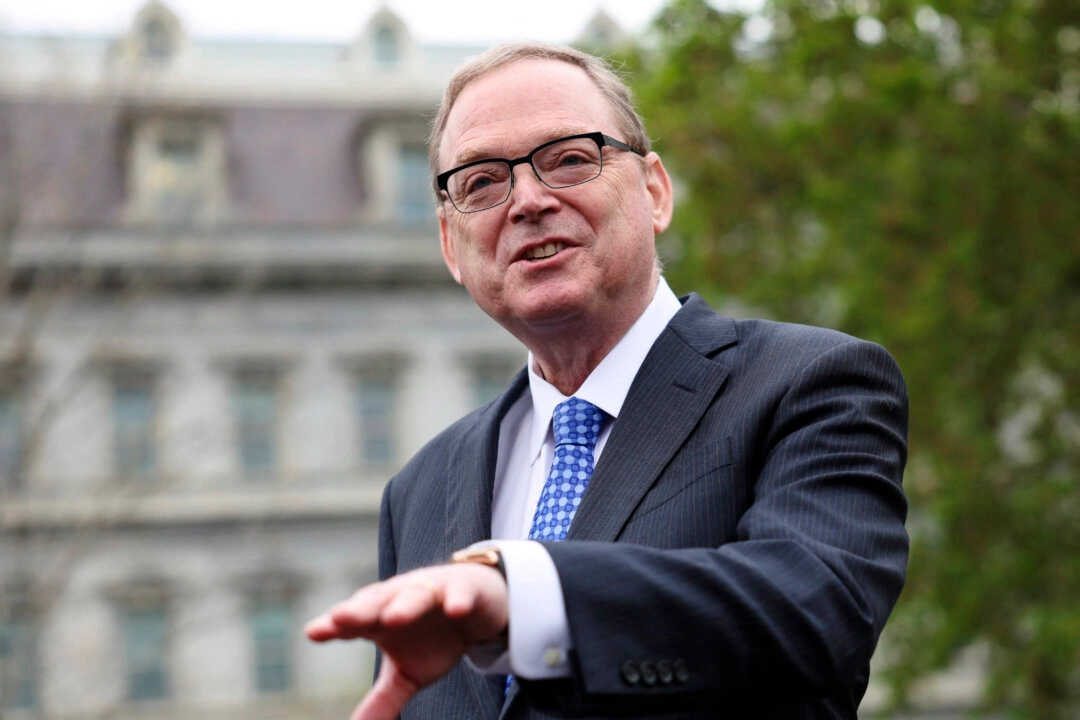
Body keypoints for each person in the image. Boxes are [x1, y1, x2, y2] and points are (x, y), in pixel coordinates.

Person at [305, 42, 909, 720]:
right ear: (451, 245)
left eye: (568, 159)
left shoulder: (809, 385)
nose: (528, 201)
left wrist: (529, 598)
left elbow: (812, 611)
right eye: (481, 182)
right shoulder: (417, 492)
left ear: (654, 192)